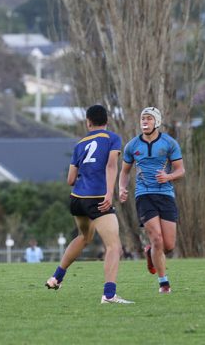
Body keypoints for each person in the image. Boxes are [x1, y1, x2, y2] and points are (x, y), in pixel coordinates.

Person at [45, 105, 134, 304]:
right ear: (107, 121)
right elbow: (111, 165)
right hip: (97, 198)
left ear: (88, 122)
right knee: (114, 246)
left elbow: (70, 179)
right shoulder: (112, 138)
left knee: (85, 237)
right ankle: (109, 294)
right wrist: (109, 193)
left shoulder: (79, 145)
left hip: (77, 199)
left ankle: (56, 277)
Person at [118, 107, 185, 294]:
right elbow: (124, 172)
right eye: (142, 119)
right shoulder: (132, 145)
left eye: (148, 119)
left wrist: (168, 177)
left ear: (157, 121)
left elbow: (180, 170)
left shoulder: (169, 143)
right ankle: (164, 283)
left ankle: (150, 253)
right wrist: (122, 188)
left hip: (165, 195)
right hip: (144, 195)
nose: (144, 122)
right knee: (156, 238)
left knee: (168, 245)